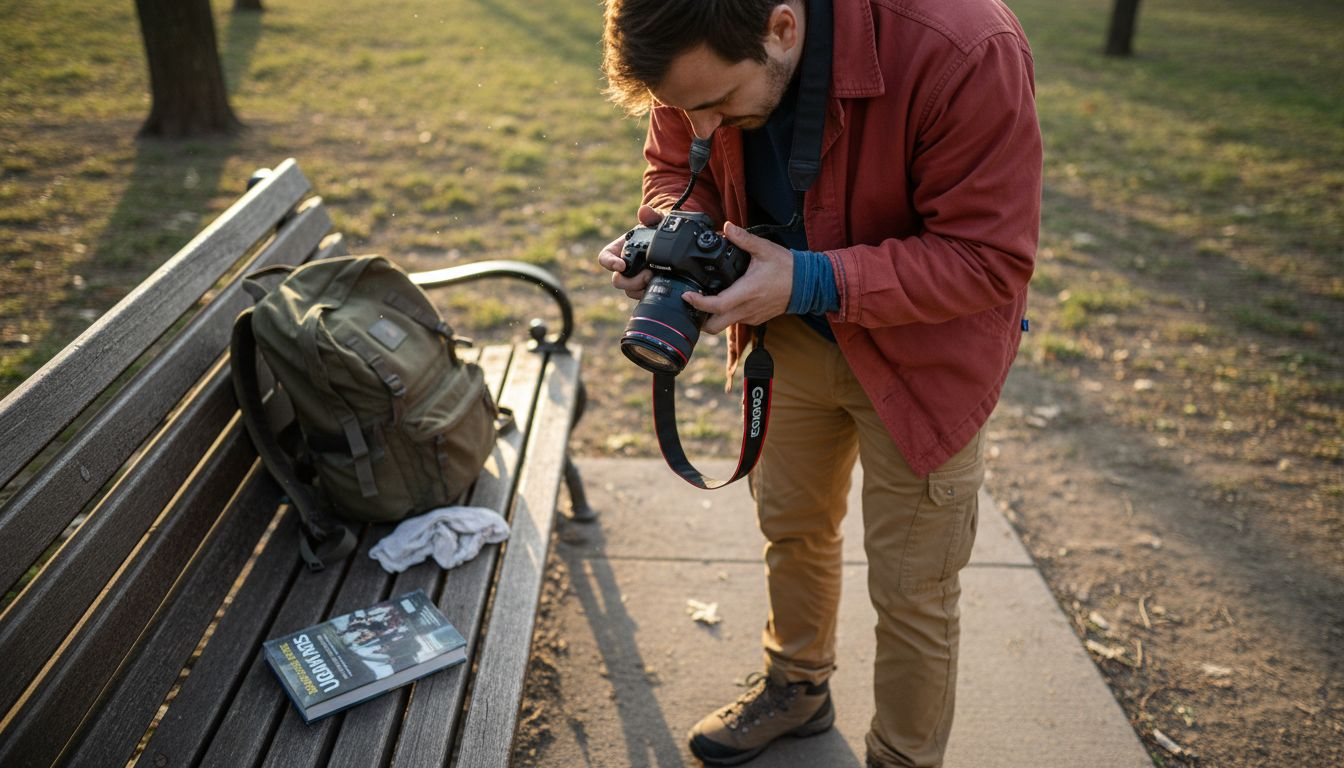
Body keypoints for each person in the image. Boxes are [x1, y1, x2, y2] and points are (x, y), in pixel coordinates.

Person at [597, 0, 1041, 765]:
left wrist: (808, 278)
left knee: (913, 592)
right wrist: (671, 232)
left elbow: (988, 257)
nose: (697, 126)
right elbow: (678, 167)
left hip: (924, 361)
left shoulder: (965, 47)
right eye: (679, 110)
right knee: (792, 531)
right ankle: (797, 687)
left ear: (782, 28)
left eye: (714, 106)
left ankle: (902, 758)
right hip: (788, 345)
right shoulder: (694, 56)